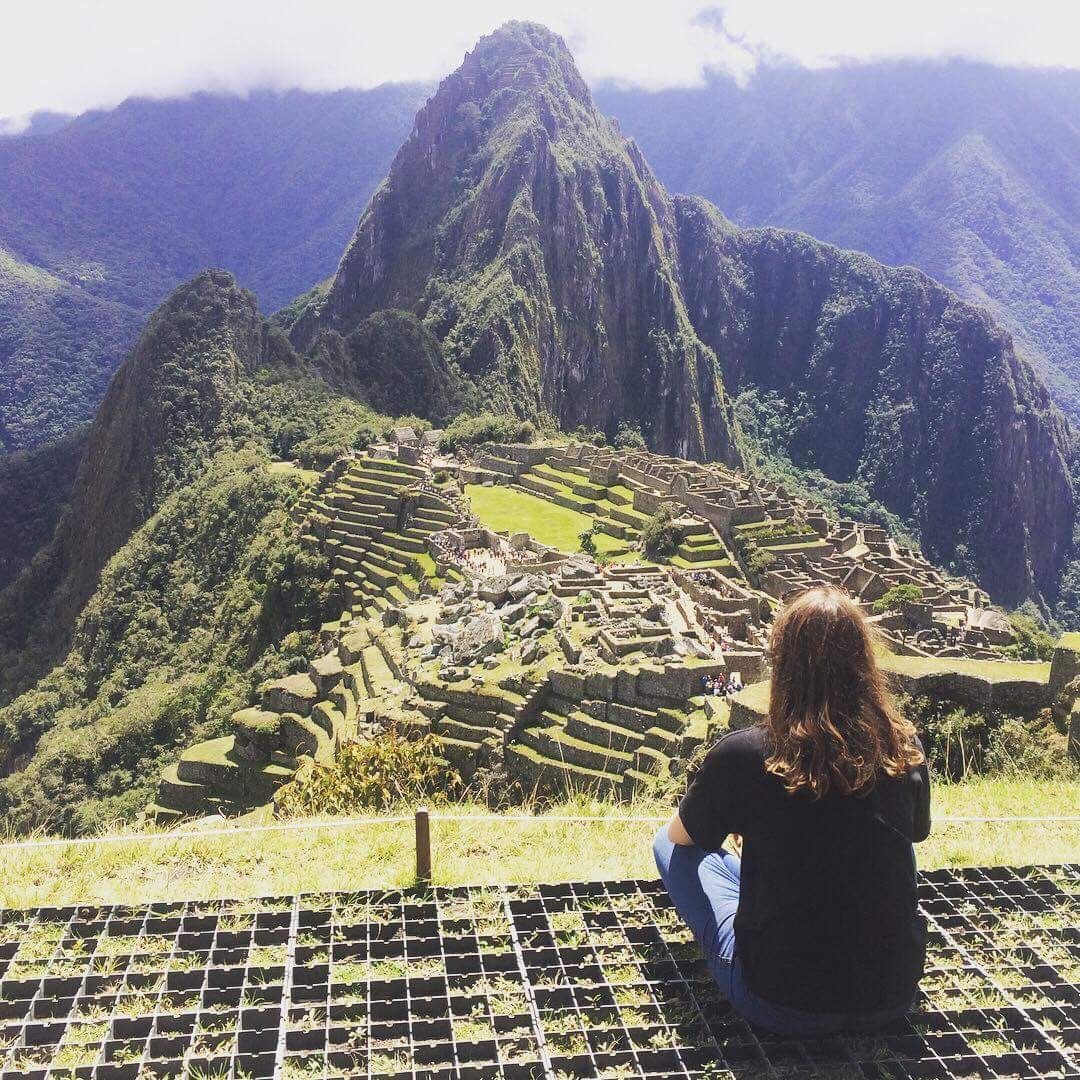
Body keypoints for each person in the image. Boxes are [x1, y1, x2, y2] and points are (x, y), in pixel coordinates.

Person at [653, 585, 931, 1036]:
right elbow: (916, 833)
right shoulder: (903, 747)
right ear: (864, 664)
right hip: (893, 992)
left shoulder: (747, 755)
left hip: (780, 999)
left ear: (781, 664)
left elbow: (682, 839)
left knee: (671, 849)